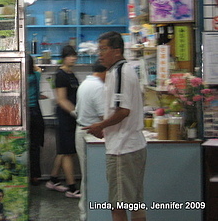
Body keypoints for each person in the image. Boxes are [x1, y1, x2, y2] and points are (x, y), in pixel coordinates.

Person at [84, 31, 147, 221]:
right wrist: (106, 128)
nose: (100, 54)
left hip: (122, 149)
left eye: (104, 49)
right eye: (99, 49)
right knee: (136, 205)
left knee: (117, 207)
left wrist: (100, 125)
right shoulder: (117, 71)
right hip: (132, 145)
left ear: (117, 51)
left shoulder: (120, 72)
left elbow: (123, 111)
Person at [45, 45, 81, 198]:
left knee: (64, 151)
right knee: (67, 153)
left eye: (74, 56)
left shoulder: (71, 73)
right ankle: (72, 188)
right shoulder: (60, 75)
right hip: (65, 117)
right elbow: (61, 100)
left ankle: (53, 180)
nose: (73, 58)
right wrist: (76, 113)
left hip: (71, 117)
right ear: (64, 57)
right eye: (70, 56)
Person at [75, 60, 107, 221]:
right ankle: (88, 214)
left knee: (86, 174)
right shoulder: (99, 87)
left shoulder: (85, 83)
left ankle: (85, 212)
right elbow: (104, 117)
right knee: (92, 176)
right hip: (92, 134)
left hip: (82, 130)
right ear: (105, 72)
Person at [27, 54, 45, 186]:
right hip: (35, 112)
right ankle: (35, 176)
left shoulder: (19, 77)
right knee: (34, 146)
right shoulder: (36, 75)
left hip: (22, 112)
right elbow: (38, 68)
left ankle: (23, 175)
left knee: (22, 144)